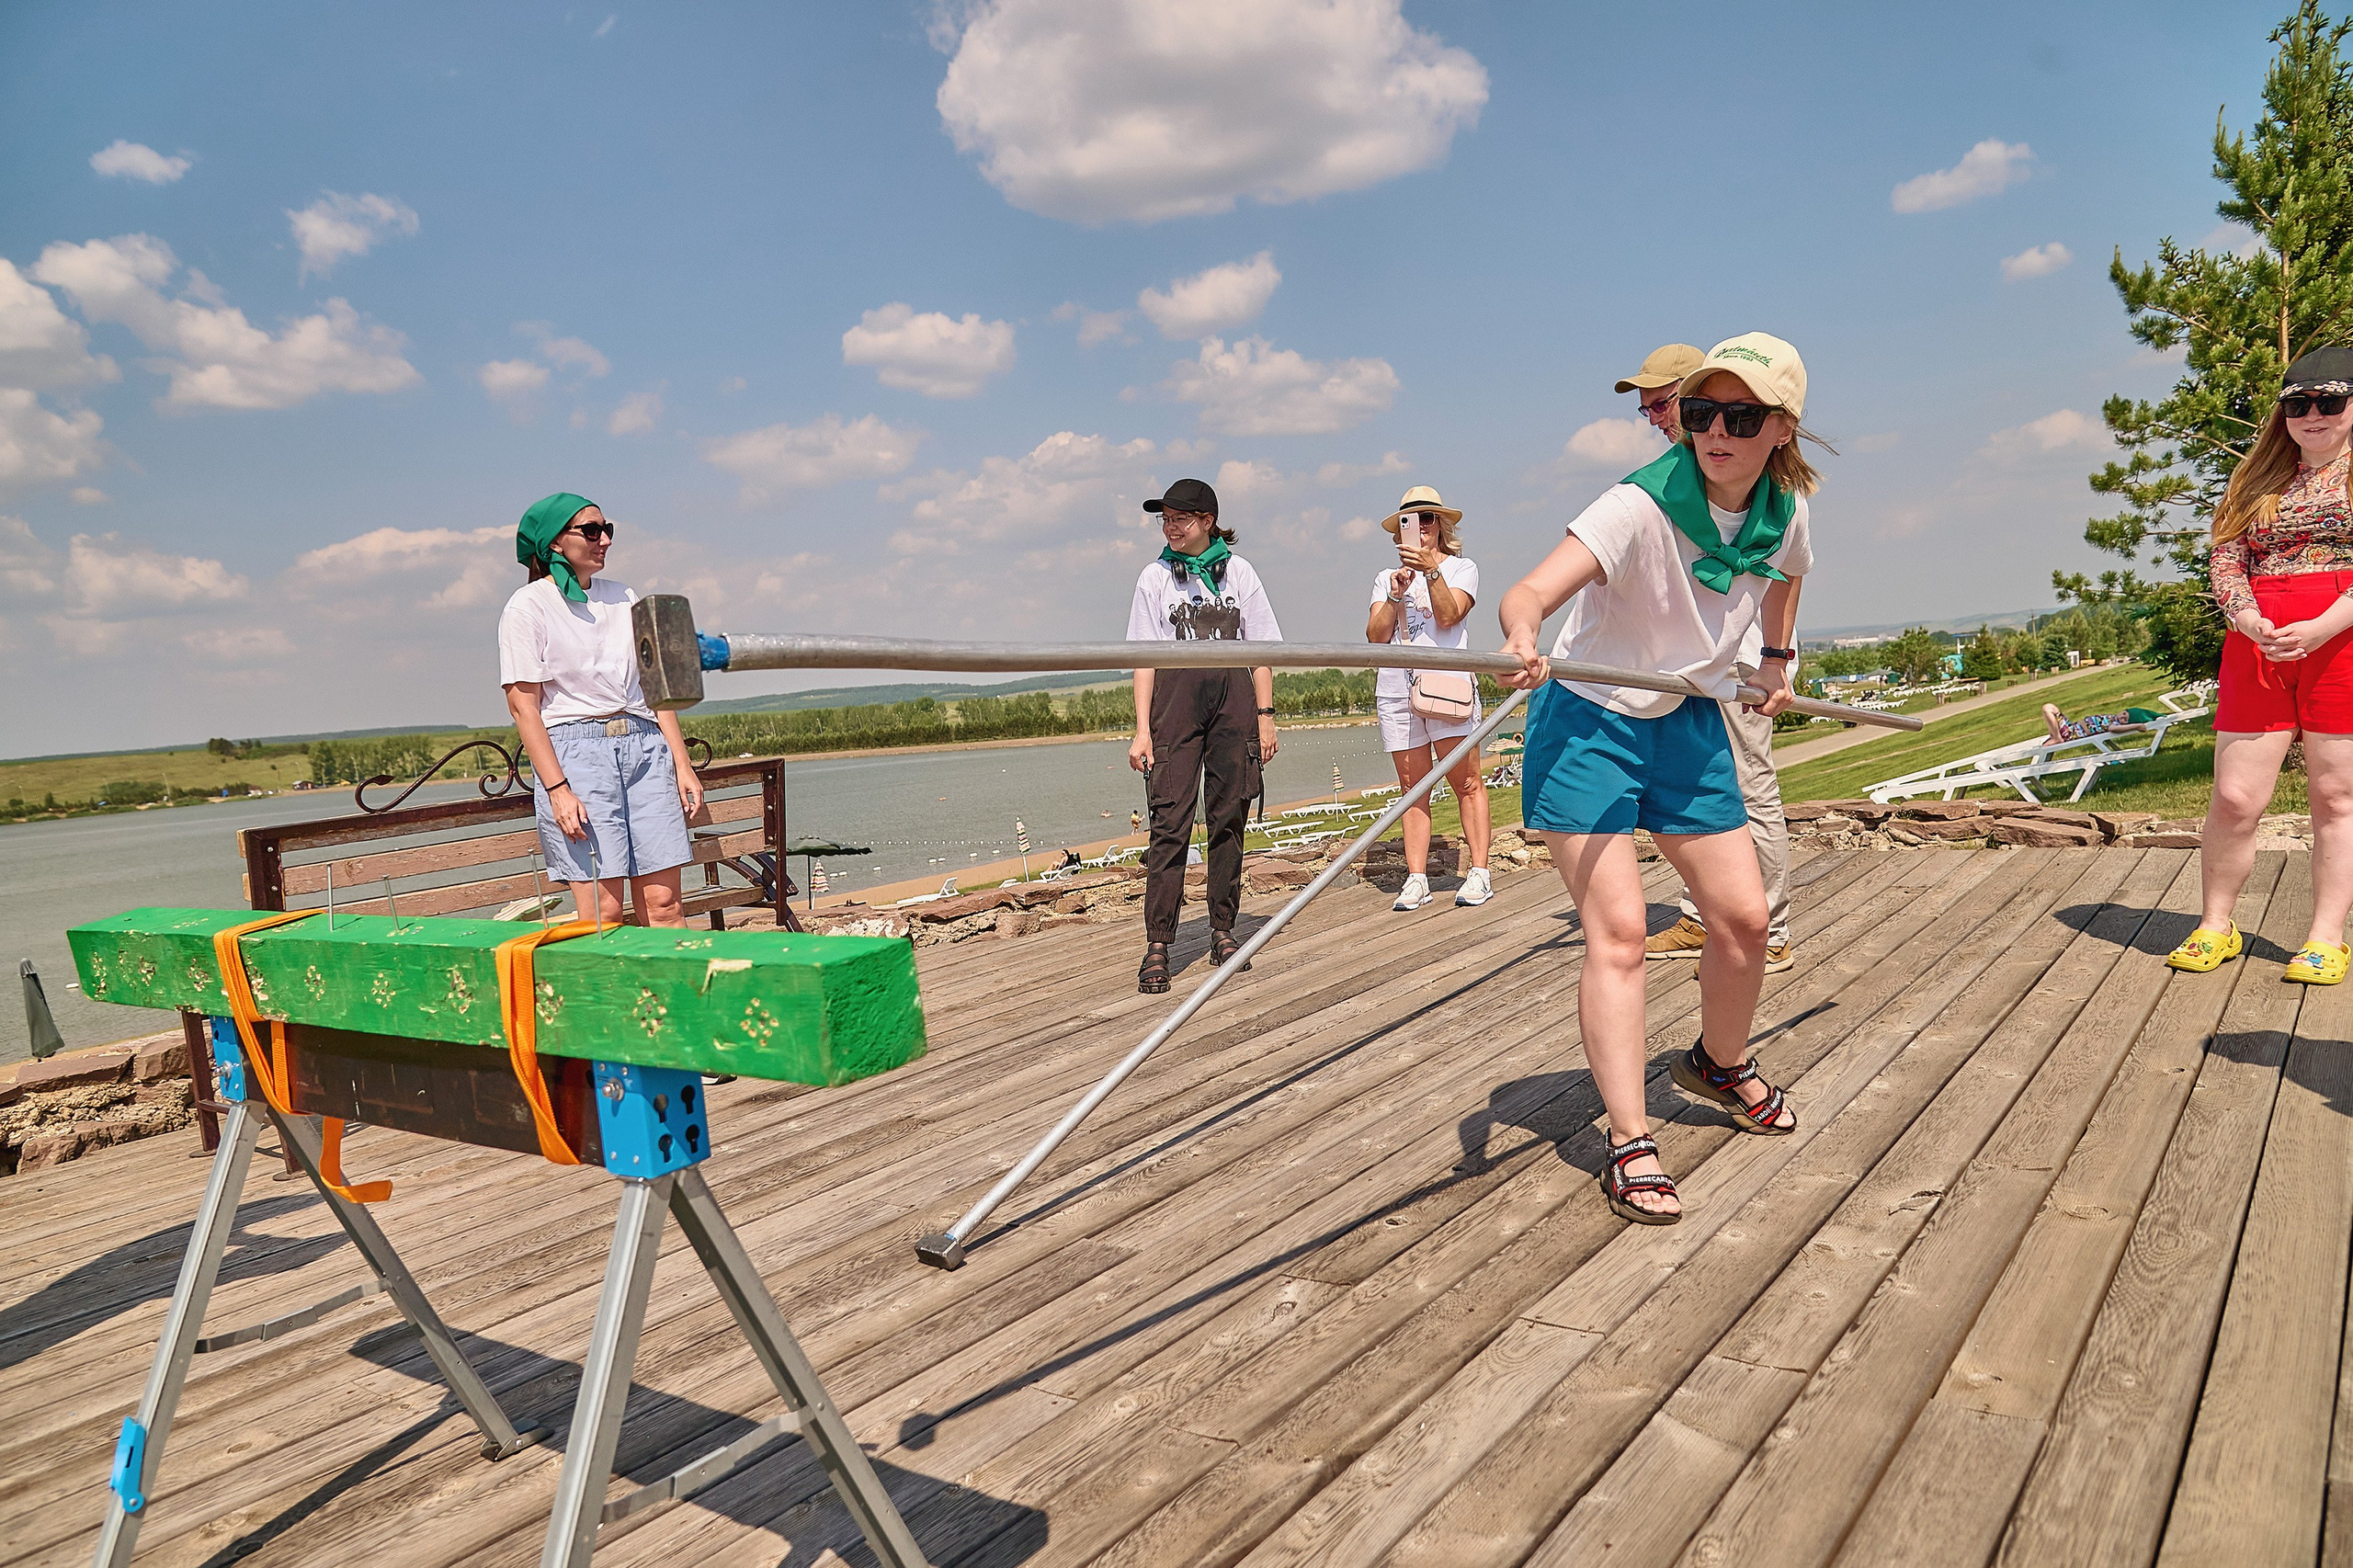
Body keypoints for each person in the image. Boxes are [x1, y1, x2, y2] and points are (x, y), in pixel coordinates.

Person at [1497, 333, 1821, 1225]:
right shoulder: (1636, 505)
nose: (1714, 430)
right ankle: (1630, 1137)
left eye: (1740, 416)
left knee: (1745, 918)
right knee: (1621, 929)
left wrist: (1777, 658)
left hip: (1684, 720)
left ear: (1780, 429)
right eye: (1699, 412)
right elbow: (1527, 593)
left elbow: (1786, 578)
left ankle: (1716, 1063)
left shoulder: (1784, 511)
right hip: (1588, 723)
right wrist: (1523, 639)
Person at [2168, 346, 2353, 983]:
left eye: (2330, 401)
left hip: (2344, 639)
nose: (2314, 415)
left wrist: (2326, 624)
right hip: (2260, 642)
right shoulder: (2257, 476)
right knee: (2235, 795)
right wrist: (2248, 621)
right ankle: (2216, 925)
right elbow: (2226, 556)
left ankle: (2326, 938)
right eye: (2299, 404)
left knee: (2335, 794)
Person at [1626, 342, 1799, 974]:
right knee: (1707, 793)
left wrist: (1775, 658)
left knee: (1750, 790)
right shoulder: (1686, 475)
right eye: (1647, 411)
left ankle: (1772, 928)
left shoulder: (1749, 474)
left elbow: (1789, 566)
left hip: (1744, 661)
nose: (1655, 419)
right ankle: (1706, 916)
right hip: (1702, 665)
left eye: (1662, 405)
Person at [500, 493, 704, 930]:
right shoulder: (528, 606)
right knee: (603, 914)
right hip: (578, 758)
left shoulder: (624, 597)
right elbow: (523, 706)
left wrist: (682, 765)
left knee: (665, 905)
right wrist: (557, 789)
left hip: (645, 749)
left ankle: (675, 998)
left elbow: (653, 688)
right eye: (591, 531)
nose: (604, 540)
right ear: (554, 543)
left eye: (606, 529)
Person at [1126, 478, 1282, 994]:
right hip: (1174, 701)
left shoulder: (1240, 573)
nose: (1170, 527)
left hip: (1233, 699)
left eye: (1180, 519)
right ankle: (1158, 943)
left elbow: (1262, 650)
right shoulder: (1153, 577)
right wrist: (1142, 730)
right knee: (1169, 820)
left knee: (1228, 816)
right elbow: (1143, 659)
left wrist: (1265, 715)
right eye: (1164, 519)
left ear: (1207, 522)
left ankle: (1223, 930)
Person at [1366, 484, 1494, 910]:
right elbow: (1375, 637)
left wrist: (1430, 572)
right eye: (1411, 520)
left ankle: (1479, 871)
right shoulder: (1386, 578)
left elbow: (1449, 614)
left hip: (1447, 688)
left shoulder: (1462, 568)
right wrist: (1397, 593)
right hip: (1397, 690)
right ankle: (1417, 877)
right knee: (1411, 787)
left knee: (1467, 780)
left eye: (1427, 519)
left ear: (1441, 526)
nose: (1419, 527)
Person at [2042, 702, 2162, 744]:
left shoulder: (2114, 724)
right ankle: (2055, 735)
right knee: (2049, 709)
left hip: (2071, 733)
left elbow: (2113, 729)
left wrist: (2137, 726)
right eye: (2124, 713)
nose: (2123, 717)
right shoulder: (2112, 718)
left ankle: (2057, 737)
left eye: (2126, 720)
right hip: (2071, 727)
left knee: (2048, 708)